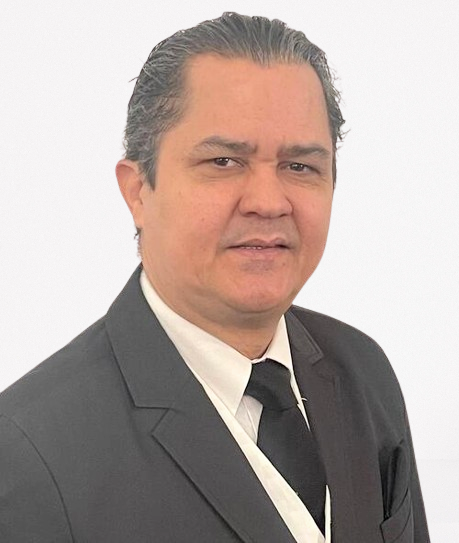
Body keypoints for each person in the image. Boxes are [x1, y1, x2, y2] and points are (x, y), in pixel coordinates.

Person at [0, 12, 430, 543]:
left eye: (299, 166)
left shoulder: (362, 373)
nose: (268, 202)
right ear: (138, 191)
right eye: (224, 161)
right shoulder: (28, 456)